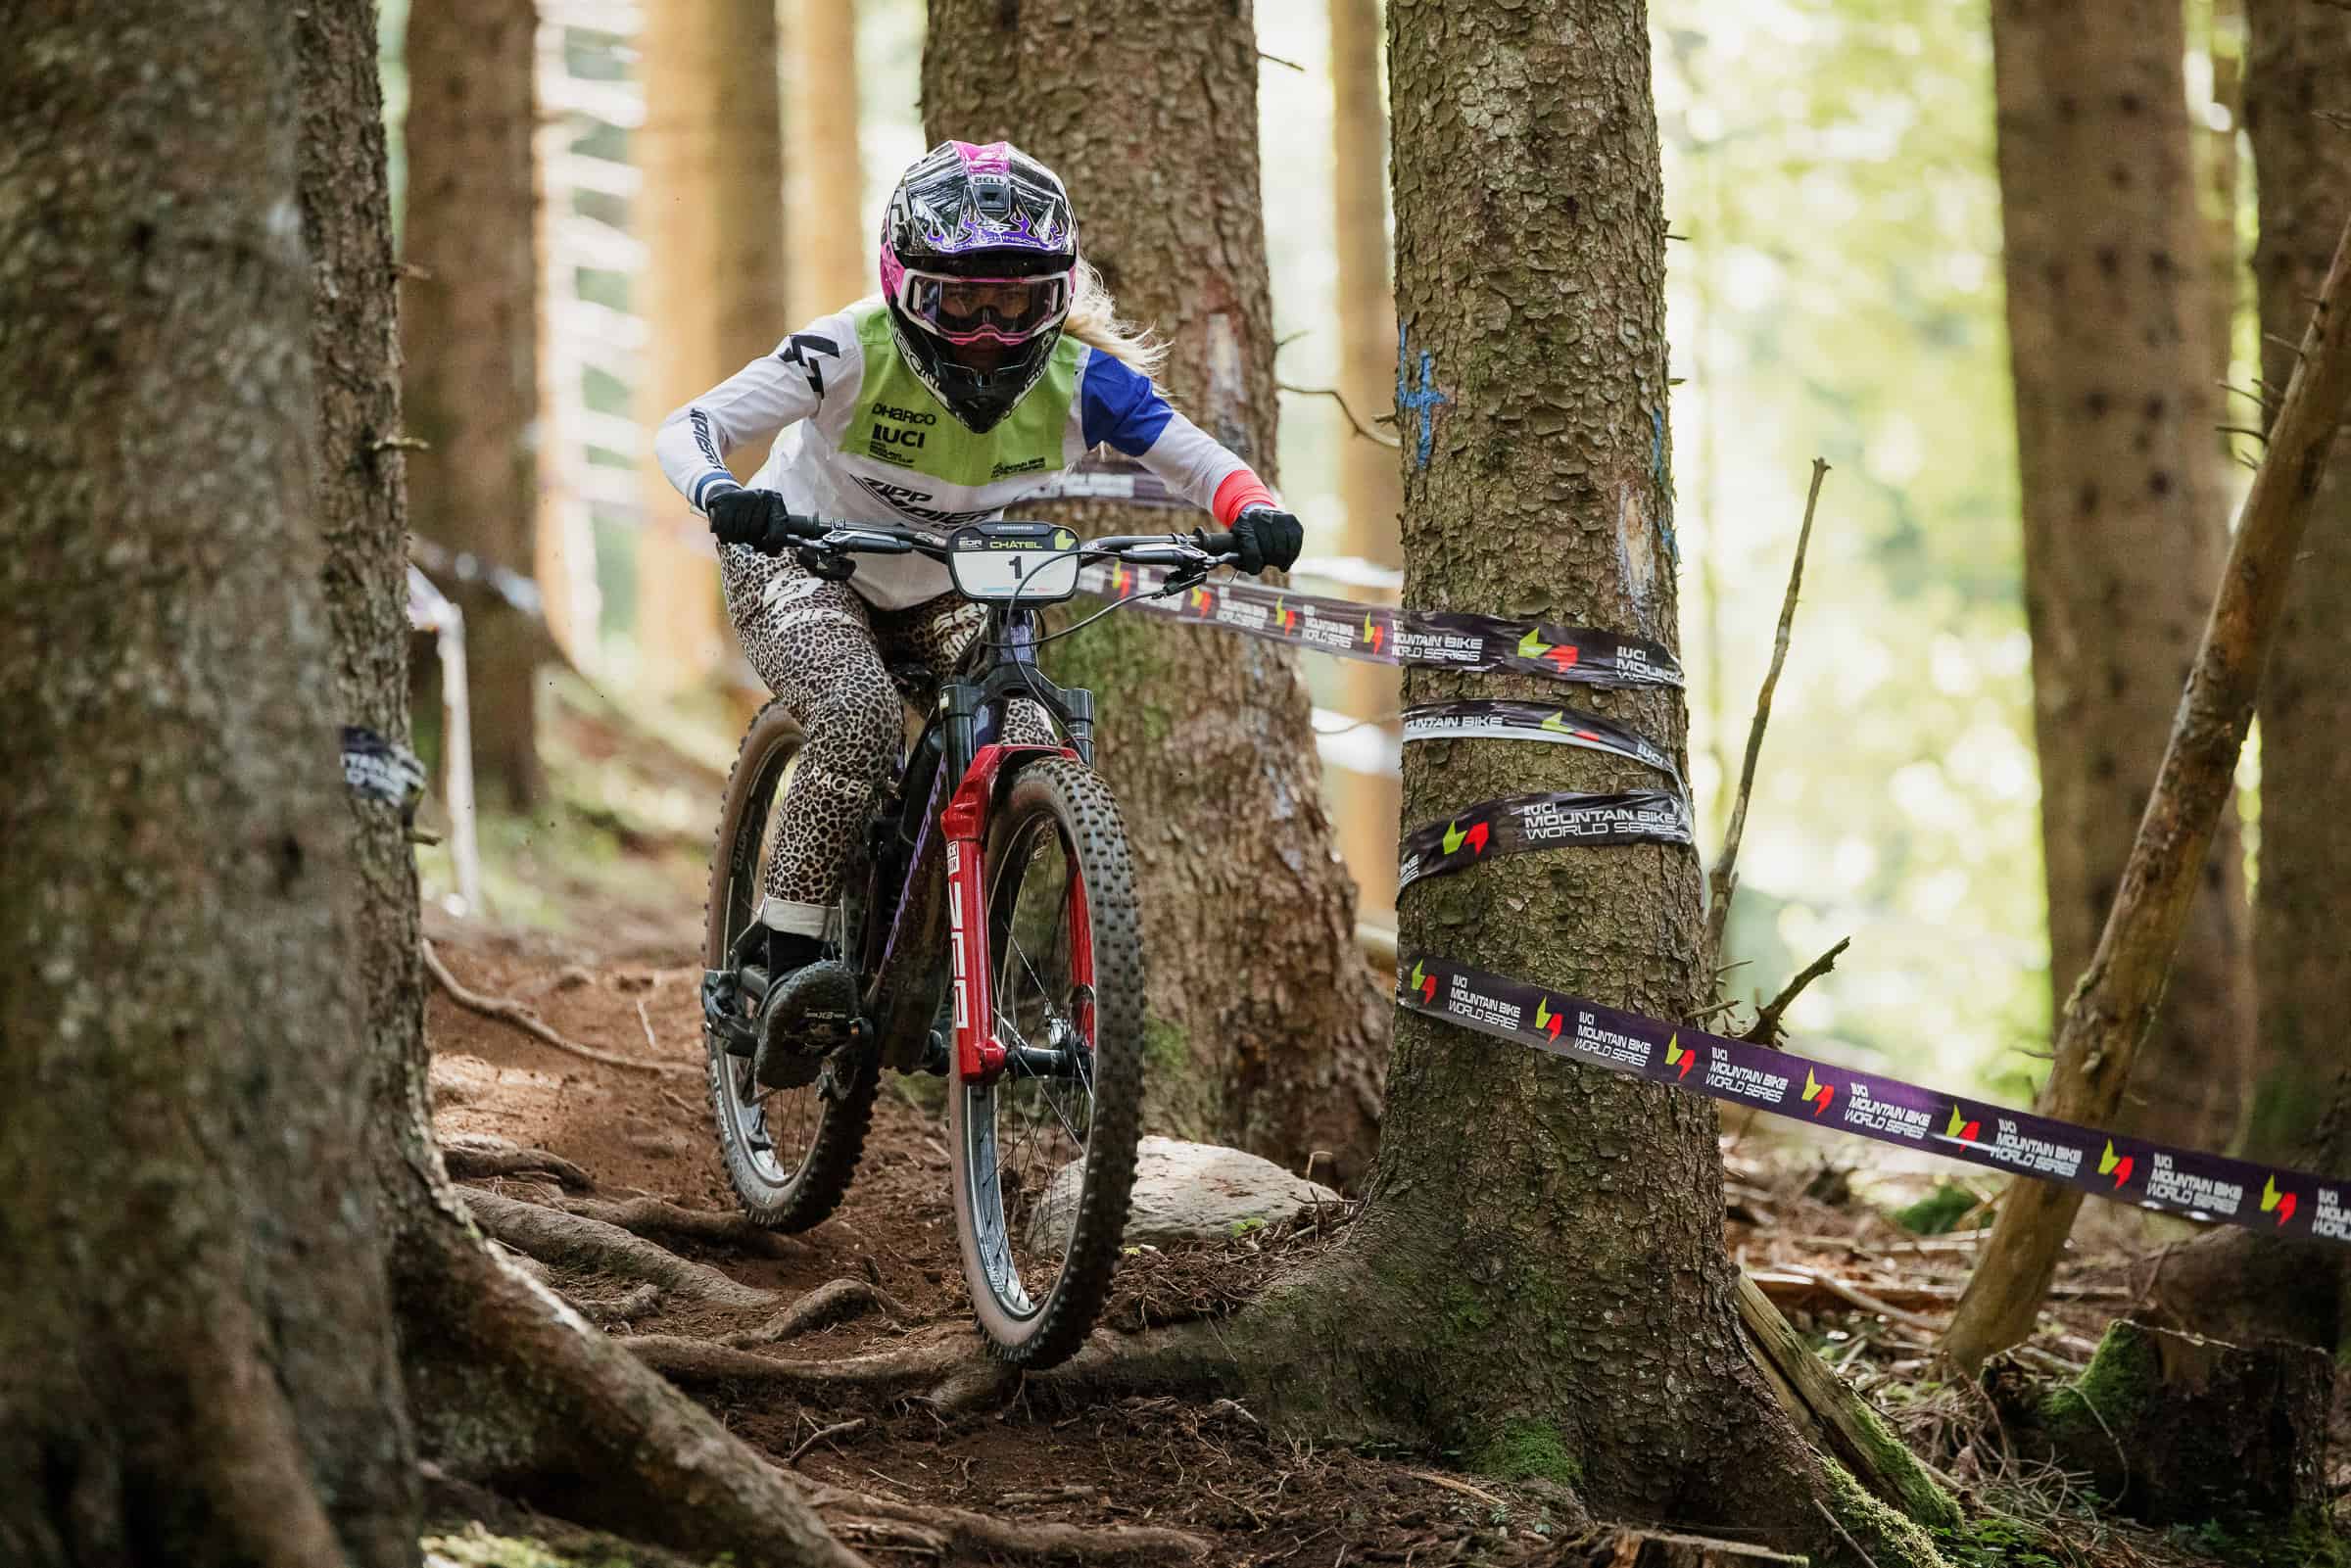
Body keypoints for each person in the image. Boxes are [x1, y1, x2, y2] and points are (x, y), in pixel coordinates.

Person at [655, 139, 1301, 1063]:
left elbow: (1198, 459)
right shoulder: (848, 349)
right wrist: (722, 491)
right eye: (961, 302)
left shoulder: (1083, 380)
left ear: (1057, 298)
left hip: (941, 583)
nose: (991, 332)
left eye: (1017, 304)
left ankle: (945, 960)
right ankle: (783, 956)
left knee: (1028, 727)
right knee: (857, 713)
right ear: (906, 288)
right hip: (800, 560)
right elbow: (691, 425)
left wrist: (1255, 512)